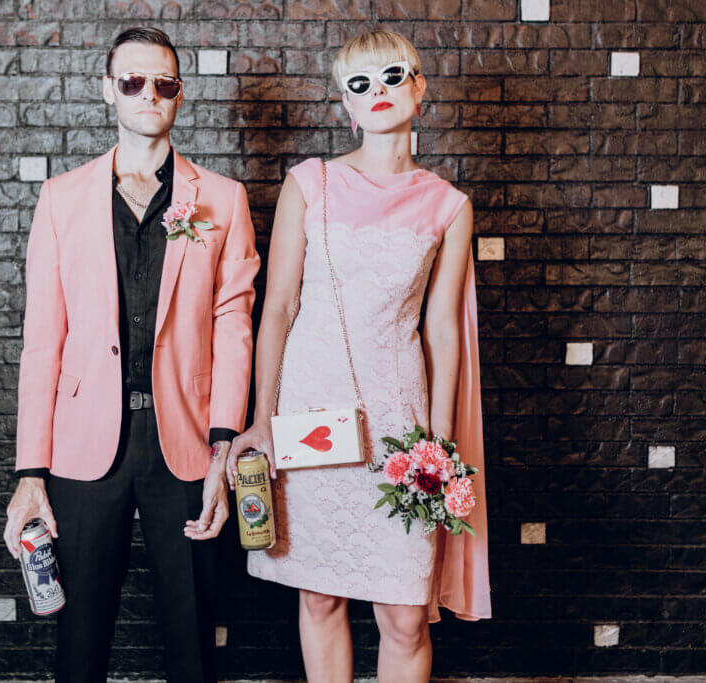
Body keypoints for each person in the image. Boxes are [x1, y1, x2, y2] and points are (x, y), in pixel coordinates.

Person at [228, 29, 491, 682]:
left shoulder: (449, 206)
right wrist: (261, 419)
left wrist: (445, 443)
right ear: (346, 105)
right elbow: (279, 307)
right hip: (312, 415)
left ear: (420, 86)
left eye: (393, 75)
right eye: (360, 83)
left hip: (401, 428)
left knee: (403, 614)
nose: (379, 92)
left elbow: (443, 330)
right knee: (319, 593)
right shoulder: (308, 183)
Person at [2, 27, 260, 683]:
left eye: (164, 83)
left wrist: (224, 443)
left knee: (194, 637)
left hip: (186, 442)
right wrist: (31, 471)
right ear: (107, 91)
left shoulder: (223, 200)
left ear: (179, 95)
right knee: (80, 640)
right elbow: (42, 342)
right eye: (133, 81)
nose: (150, 94)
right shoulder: (61, 199)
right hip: (83, 446)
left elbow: (235, 323)